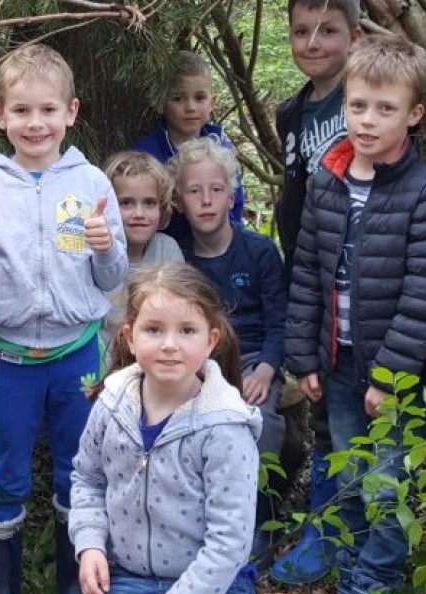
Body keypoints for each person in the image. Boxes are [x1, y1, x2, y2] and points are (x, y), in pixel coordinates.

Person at [0, 43, 128, 594]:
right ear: (0, 115)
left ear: (70, 112)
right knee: (7, 476)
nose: (35, 123)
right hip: (12, 361)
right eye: (21, 110)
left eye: (47, 109)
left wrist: (105, 244)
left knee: (80, 472)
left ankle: (76, 585)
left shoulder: (92, 181)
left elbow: (113, 277)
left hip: (79, 357)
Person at [284, 34, 426, 594]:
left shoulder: (423, 192)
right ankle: (355, 590)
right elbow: (306, 268)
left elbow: (425, 292)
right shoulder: (329, 179)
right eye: (359, 106)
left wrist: (390, 376)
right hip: (336, 362)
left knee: (387, 487)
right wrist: (302, 355)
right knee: (352, 483)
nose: (368, 120)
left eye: (385, 109)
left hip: (389, 373)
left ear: (413, 114)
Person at [58, 264, 260, 594]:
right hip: (130, 579)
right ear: (131, 338)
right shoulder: (112, 404)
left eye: (187, 330)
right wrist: (91, 543)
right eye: (154, 329)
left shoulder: (224, 426)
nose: (170, 345)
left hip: (217, 587)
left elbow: (230, 540)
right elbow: (87, 477)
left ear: (211, 340)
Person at [268, 0, 366, 588]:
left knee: (359, 414)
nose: (312, 42)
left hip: (362, 279)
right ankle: (325, 529)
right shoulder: (296, 111)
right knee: (330, 407)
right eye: (301, 31)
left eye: (328, 30)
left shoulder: (364, 96)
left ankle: (344, 534)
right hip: (314, 274)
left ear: (355, 35)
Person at [169, 138, 287, 486]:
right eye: (194, 191)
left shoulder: (259, 251)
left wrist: (266, 370)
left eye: (216, 189)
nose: (206, 200)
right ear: (178, 200)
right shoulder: (178, 257)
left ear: (231, 197)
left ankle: (257, 519)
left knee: (260, 422)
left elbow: (280, 323)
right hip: (197, 364)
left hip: (252, 360)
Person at [129, 51, 248, 251]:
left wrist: (234, 247)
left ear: (212, 102)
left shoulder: (221, 149)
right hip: (165, 252)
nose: (190, 107)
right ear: (161, 103)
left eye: (199, 98)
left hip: (218, 249)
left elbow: (235, 202)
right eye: (178, 98)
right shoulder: (146, 154)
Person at [99, 150, 187, 355]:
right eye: (126, 203)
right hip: (103, 361)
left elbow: (181, 313)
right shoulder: (95, 253)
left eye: (149, 203)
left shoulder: (167, 249)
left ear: (162, 208)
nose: (139, 214)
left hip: (156, 359)